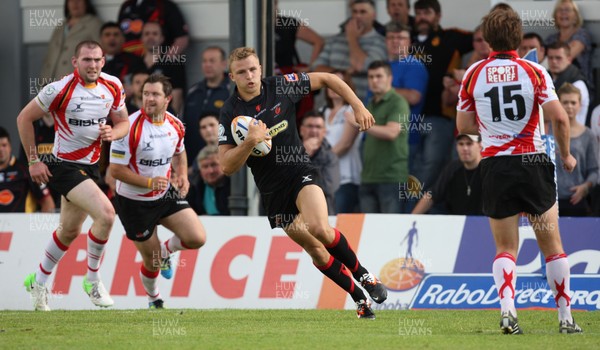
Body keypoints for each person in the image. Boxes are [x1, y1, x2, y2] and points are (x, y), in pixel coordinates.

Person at [219, 47, 386, 319]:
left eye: (253, 69)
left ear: (261, 69)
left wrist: (358, 105)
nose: (249, 76)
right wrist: (250, 141)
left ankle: (365, 275)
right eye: (241, 72)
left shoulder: (281, 86)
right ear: (232, 77)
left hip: (299, 170)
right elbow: (226, 165)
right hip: (272, 190)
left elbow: (330, 79)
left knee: (320, 227)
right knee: (317, 253)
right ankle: (358, 298)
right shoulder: (230, 112)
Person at [456, 8, 582, 334]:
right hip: (532, 162)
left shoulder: (472, 74)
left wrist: (492, 129)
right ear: (518, 36)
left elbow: (464, 126)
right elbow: (560, 118)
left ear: (486, 38)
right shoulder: (534, 71)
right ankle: (566, 318)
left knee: (505, 248)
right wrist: (566, 156)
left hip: (496, 166)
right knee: (552, 246)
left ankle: (509, 311)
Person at [17, 40, 130, 311]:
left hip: (89, 167)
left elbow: (124, 122)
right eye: (86, 60)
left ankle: (39, 280)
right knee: (106, 214)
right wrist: (33, 160)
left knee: (69, 231)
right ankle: (92, 280)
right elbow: (24, 118)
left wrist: (113, 134)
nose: (92, 65)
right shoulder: (59, 89)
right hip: (63, 166)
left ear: (103, 61)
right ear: (74, 62)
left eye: (96, 60)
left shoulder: (112, 85)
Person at [109, 73, 206, 308]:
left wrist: (182, 175)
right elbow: (116, 171)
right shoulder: (128, 127)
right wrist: (149, 183)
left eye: (155, 94)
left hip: (163, 194)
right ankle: (154, 299)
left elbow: (179, 151)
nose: (149, 98)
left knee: (196, 238)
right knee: (151, 263)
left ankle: (165, 251)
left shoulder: (175, 125)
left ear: (168, 99)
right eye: (145, 93)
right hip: (133, 202)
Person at [411, 0, 473, 192]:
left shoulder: (451, 37)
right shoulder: (406, 40)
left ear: (438, 16)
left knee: (433, 167)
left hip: (440, 116)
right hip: (409, 117)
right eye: (419, 13)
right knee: (412, 167)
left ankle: (427, 211)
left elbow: (482, 39)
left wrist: (463, 72)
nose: (422, 17)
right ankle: (411, 212)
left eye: (427, 12)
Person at [312, 0, 387, 103]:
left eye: (363, 12)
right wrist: (345, 73)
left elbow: (361, 66)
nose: (358, 16)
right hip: (334, 106)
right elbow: (317, 70)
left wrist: (352, 38)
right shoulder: (335, 40)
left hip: (365, 108)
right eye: (354, 12)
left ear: (373, 15)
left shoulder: (381, 42)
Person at [360, 60, 409, 213]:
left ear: (390, 78)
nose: (374, 81)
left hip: (391, 178)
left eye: (379, 76)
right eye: (371, 77)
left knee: (391, 231)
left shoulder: (398, 102)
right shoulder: (370, 103)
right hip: (368, 177)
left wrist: (360, 124)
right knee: (368, 232)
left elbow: (391, 132)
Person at [385, 22, 428, 172]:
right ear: (385, 41)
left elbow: (414, 97)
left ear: (409, 42)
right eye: (391, 37)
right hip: (376, 138)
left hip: (405, 139)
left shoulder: (414, 65)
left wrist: (383, 89)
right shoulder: (381, 65)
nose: (395, 41)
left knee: (399, 191)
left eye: (400, 37)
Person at [411, 134, 483, 215]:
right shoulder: (452, 168)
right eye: (461, 144)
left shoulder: (488, 170)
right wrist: (412, 218)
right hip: (457, 223)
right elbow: (432, 195)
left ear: (480, 146)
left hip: (487, 223)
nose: (465, 148)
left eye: (469, 144)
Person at [555, 83, 598, 216]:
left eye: (573, 102)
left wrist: (585, 187)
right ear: (558, 104)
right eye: (565, 102)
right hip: (549, 200)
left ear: (580, 105)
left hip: (576, 201)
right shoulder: (546, 131)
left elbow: (594, 170)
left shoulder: (588, 135)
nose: (569, 106)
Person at [183, 47, 231, 166]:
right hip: (193, 160)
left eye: (212, 61)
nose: (207, 65)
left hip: (220, 162)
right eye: (204, 61)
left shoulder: (232, 92)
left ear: (224, 64)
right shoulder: (193, 92)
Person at [322, 71, 362, 214]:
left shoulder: (352, 110)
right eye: (330, 84)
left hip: (345, 178)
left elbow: (345, 144)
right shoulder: (322, 111)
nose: (333, 88)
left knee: (339, 224)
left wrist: (319, 161)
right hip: (323, 178)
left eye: (338, 83)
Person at [39, 0, 103, 83]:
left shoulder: (95, 25)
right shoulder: (61, 25)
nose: (75, 3)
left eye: (79, 0)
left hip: (77, 82)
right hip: (51, 81)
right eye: (71, 0)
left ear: (86, 3)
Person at [0, 127, 54, 213]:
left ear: (10, 147)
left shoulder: (25, 170)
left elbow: (47, 202)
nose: (1, 149)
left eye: (4, 145)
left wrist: (45, 225)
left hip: (22, 224)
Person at [141, 21, 186, 115]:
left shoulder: (173, 63)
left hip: (163, 118)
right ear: (142, 38)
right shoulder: (135, 63)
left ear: (162, 38)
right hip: (138, 117)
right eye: (147, 34)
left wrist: (171, 121)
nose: (150, 37)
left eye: (155, 34)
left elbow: (177, 96)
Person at [545, 0, 593, 88]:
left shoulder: (582, 35)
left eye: (567, 10)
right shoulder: (551, 39)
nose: (563, 13)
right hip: (554, 85)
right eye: (560, 10)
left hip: (578, 85)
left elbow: (567, 55)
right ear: (555, 15)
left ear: (575, 16)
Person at [299, 111, 340, 214]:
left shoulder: (331, 157)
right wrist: (304, 155)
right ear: (301, 130)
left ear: (324, 132)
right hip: (293, 215)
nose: (314, 130)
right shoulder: (288, 154)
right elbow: (282, 182)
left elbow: (329, 187)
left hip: (322, 214)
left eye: (318, 127)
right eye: (309, 126)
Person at [118, 0, 189, 56]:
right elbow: (118, 35)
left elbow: (182, 38)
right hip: (129, 65)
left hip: (158, 64)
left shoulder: (165, 6)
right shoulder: (126, 6)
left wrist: (165, 60)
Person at [546, 43, 590, 126]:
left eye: (558, 58)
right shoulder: (546, 78)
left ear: (569, 59)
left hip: (571, 133)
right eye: (550, 58)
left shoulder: (577, 84)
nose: (554, 61)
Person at [100, 22, 146, 97]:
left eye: (116, 34)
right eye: (107, 35)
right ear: (101, 40)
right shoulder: (94, 62)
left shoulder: (135, 60)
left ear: (123, 39)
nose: (112, 38)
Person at [188, 145, 231, 216]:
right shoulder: (193, 185)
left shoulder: (234, 185)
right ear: (200, 169)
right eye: (205, 166)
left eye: (214, 165)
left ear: (224, 164)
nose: (210, 171)